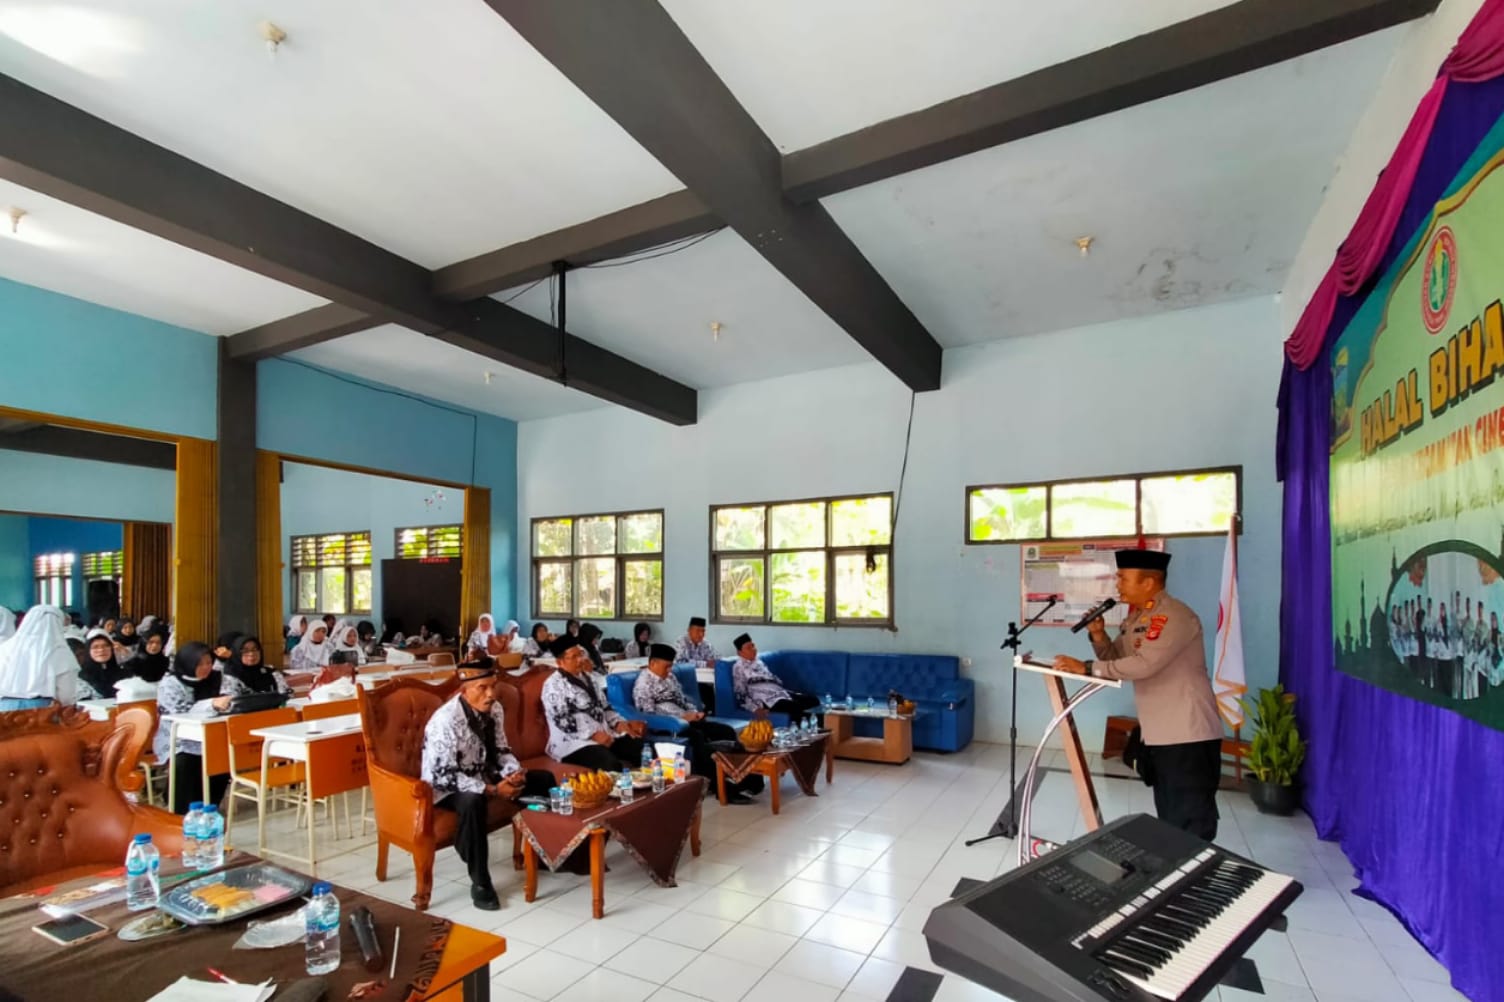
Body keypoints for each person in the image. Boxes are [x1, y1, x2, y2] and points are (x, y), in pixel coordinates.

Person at [1053, 549, 1224, 840]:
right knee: (1171, 815)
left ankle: (1194, 865)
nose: (1117, 584)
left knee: (1191, 818)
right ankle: (1175, 863)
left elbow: (1144, 665)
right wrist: (1098, 634)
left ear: (1148, 583)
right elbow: (1116, 659)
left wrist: (1088, 667)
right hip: (1160, 732)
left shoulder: (1173, 616)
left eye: (1123, 578)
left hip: (1187, 733)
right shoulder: (1138, 618)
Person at [421, 669, 556, 909]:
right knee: (473, 801)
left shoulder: (494, 709)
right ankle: (481, 883)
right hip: (446, 786)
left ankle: (546, 854)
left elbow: (502, 750)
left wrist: (513, 774)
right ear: (464, 690)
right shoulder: (445, 721)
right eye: (482, 688)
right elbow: (444, 776)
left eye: (493, 686)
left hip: (484, 774)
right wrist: (493, 790)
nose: (491, 694)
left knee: (543, 780)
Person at [633, 644, 760, 802]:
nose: (669, 670)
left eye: (671, 666)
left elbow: (683, 700)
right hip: (671, 726)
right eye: (666, 667)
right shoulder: (643, 685)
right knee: (699, 739)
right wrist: (681, 719)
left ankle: (744, 778)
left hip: (689, 719)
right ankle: (722, 789)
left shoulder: (670, 678)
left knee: (725, 731)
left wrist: (695, 712)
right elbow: (648, 716)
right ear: (653, 663)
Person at [541, 635, 646, 770]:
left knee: (641, 748)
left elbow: (605, 707)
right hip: (574, 742)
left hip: (605, 733)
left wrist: (618, 723)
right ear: (560, 662)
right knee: (609, 764)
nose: (580, 660)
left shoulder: (589, 678)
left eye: (580, 654)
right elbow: (563, 721)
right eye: (574, 657)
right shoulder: (553, 686)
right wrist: (593, 735)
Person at [153, 642, 232, 814]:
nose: (206, 668)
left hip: (210, 733)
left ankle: (210, 804)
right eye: (199, 664)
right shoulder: (170, 684)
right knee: (185, 760)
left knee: (223, 759)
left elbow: (231, 697)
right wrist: (211, 704)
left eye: (209, 663)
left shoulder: (217, 678)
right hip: (177, 737)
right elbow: (180, 712)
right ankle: (181, 809)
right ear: (188, 663)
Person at [0, 605, 78, 710]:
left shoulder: (5, 647)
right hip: (40, 711)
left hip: (3, 707)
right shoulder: (59, 650)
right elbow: (66, 696)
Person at [731, 634, 821, 724]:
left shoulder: (758, 662)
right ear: (740, 653)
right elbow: (740, 694)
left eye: (753, 646)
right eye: (748, 648)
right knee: (795, 707)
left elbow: (771, 680)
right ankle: (811, 728)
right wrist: (755, 709)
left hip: (780, 693)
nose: (753, 649)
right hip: (766, 700)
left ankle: (820, 726)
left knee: (813, 700)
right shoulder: (739, 668)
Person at [221, 636, 290, 697]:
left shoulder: (270, 671)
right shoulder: (232, 675)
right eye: (245, 651)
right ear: (237, 653)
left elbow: (287, 694)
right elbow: (230, 702)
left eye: (255, 649)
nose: (251, 654)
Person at [77, 628, 131, 700]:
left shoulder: (124, 673)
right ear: (88, 651)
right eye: (95, 647)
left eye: (105, 646)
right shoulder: (81, 676)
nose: (101, 650)